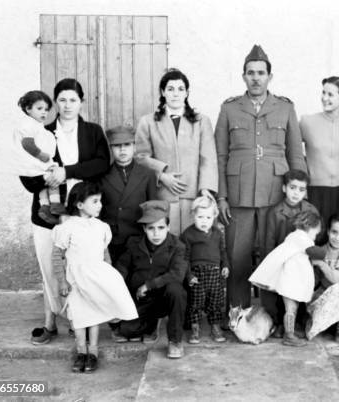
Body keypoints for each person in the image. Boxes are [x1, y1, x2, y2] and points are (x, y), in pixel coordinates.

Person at [215, 45, 307, 308]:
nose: (256, 78)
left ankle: (273, 315)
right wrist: (221, 196)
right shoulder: (229, 108)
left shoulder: (285, 108)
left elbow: (295, 155)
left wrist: (300, 196)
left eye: (261, 73)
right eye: (250, 73)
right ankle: (238, 312)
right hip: (238, 194)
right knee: (238, 256)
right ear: (243, 76)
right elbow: (220, 156)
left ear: (270, 76)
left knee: (273, 255)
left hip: (275, 193)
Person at [20, 78, 110, 346]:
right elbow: (26, 173)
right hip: (46, 213)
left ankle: (76, 320)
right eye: (62, 99)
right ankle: (49, 323)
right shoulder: (41, 132)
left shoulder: (93, 132)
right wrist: (46, 179)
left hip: (80, 212)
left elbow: (101, 163)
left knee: (77, 267)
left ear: (81, 101)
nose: (67, 105)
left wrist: (67, 172)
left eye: (73, 99)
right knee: (49, 266)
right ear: (54, 103)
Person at [52, 182, 138, 373]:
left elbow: (104, 253)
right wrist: (62, 281)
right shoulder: (67, 228)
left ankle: (93, 353)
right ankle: (81, 352)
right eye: (95, 201)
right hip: (76, 279)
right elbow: (57, 256)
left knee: (94, 316)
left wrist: (107, 276)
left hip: (96, 277)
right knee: (80, 317)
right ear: (80, 205)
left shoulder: (101, 227)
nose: (100, 205)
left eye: (100, 201)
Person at [135, 68, 218, 235]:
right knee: (167, 241)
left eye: (180, 89)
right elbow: (140, 157)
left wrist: (205, 189)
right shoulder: (148, 122)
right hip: (162, 195)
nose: (175, 94)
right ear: (163, 92)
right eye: (170, 89)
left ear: (187, 93)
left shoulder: (201, 121)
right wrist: (162, 176)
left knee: (193, 241)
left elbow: (208, 159)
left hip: (193, 195)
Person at [114, 200, 189, 359]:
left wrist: (149, 285)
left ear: (168, 227)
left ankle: (175, 340)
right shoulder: (134, 243)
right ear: (144, 229)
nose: (156, 234)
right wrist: (116, 285)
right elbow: (122, 265)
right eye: (151, 228)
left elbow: (177, 273)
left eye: (161, 228)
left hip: (165, 298)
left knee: (176, 290)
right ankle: (152, 324)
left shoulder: (177, 246)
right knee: (126, 330)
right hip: (143, 299)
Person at [299, 76, 339, 243]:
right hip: (315, 193)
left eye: (330, 94)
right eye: (323, 93)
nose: (324, 98)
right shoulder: (307, 122)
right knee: (315, 239)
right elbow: (289, 150)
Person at [249, 210, 324, 346]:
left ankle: (290, 331)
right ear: (309, 227)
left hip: (291, 281)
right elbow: (315, 252)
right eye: (315, 233)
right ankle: (289, 336)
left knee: (293, 308)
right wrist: (327, 252)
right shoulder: (301, 238)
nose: (315, 237)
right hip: (291, 282)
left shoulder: (294, 238)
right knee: (291, 309)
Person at [263, 169, 319, 337]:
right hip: (283, 260)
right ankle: (280, 323)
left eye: (301, 189)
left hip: (303, 260)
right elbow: (269, 240)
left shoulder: (311, 210)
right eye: (293, 188)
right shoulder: (275, 212)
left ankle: (300, 321)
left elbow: (316, 236)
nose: (297, 193)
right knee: (283, 293)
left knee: (302, 290)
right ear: (284, 188)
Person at [100, 126, 158, 264]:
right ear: (111, 148)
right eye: (117, 146)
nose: (122, 150)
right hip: (113, 240)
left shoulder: (147, 174)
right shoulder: (102, 176)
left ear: (134, 147)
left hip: (139, 238)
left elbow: (152, 209)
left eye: (127, 145)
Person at [180, 196, 230, 344]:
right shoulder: (187, 234)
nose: (204, 221)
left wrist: (225, 266)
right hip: (197, 274)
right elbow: (184, 258)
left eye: (208, 217)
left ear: (214, 216)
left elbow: (223, 252)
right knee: (196, 302)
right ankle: (195, 329)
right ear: (193, 215)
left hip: (215, 273)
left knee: (215, 301)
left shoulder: (217, 234)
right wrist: (189, 275)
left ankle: (215, 327)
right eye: (200, 217)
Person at [12, 90, 65, 224]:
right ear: (28, 109)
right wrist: (42, 156)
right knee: (52, 179)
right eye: (39, 108)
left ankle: (45, 207)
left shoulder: (36, 125)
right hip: (36, 164)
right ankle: (55, 205)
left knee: (42, 187)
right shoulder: (28, 124)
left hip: (32, 168)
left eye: (46, 110)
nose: (44, 113)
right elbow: (27, 143)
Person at [306, 212, 339, 342]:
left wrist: (321, 264)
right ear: (328, 231)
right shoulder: (320, 250)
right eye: (334, 232)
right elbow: (313, 282)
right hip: (324, 296)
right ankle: (326, 322)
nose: (337, 238)